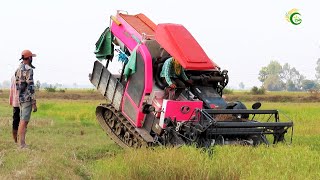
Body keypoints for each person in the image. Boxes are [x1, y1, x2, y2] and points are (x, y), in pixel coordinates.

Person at [16, 49, 38, 148]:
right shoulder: (29, 69)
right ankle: (22, 144)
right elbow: (31, 86)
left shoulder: (18, 68)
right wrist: (33, 102)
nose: (32, 59)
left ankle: (22, 143)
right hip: (27, 99)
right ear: (29, 58)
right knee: (24, 121)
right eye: (31, 57)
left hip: (20, 98)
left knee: (22, 120)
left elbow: (17, 84)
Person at [9, 74, 20, 143]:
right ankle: (19, 139)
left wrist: (11, 100)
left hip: (15, 101)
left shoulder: (13, 76)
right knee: (22, 121)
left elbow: (11, 89)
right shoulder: (23, 74)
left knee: (15, 121)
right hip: (22, 101)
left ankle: (16, 140)